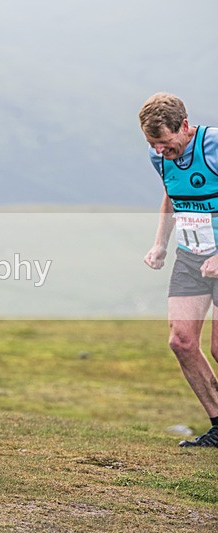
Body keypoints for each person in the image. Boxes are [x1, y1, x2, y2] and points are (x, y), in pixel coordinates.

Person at [140, 92, 218, 448]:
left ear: (184, 126)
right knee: (182, 341)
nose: (159, 151)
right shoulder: (160, 158)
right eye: (153, 144)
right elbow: (171, 196)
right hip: (190, 256)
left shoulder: (213, 145)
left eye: (165, 142)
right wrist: (160, 243)